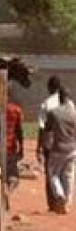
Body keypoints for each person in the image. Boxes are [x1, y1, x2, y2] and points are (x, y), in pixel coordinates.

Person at [42, 83, 76, 214]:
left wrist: (45, 146)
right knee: (69, 176)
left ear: (59, 98)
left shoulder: (54, 113)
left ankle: (59, 195)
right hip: (72, 148)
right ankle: (67, 202)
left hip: (58, 148)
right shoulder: (75, 113)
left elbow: (47, 130)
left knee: (53, 174)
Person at [37, 75, 63, 211]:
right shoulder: (67, 104)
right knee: (64, 172)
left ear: (49, 87)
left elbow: (42, 127)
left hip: (50, 142)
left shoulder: (46, 104)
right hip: (65, 142)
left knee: (51, 173)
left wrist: (38, 147)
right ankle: (63, 197)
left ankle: (52, 203)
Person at [5, 86, 25, 192]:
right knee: (13, 177)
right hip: (9, 146)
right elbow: (19, 131)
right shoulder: (16, 110)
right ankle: (7, 192)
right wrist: (21, 148)